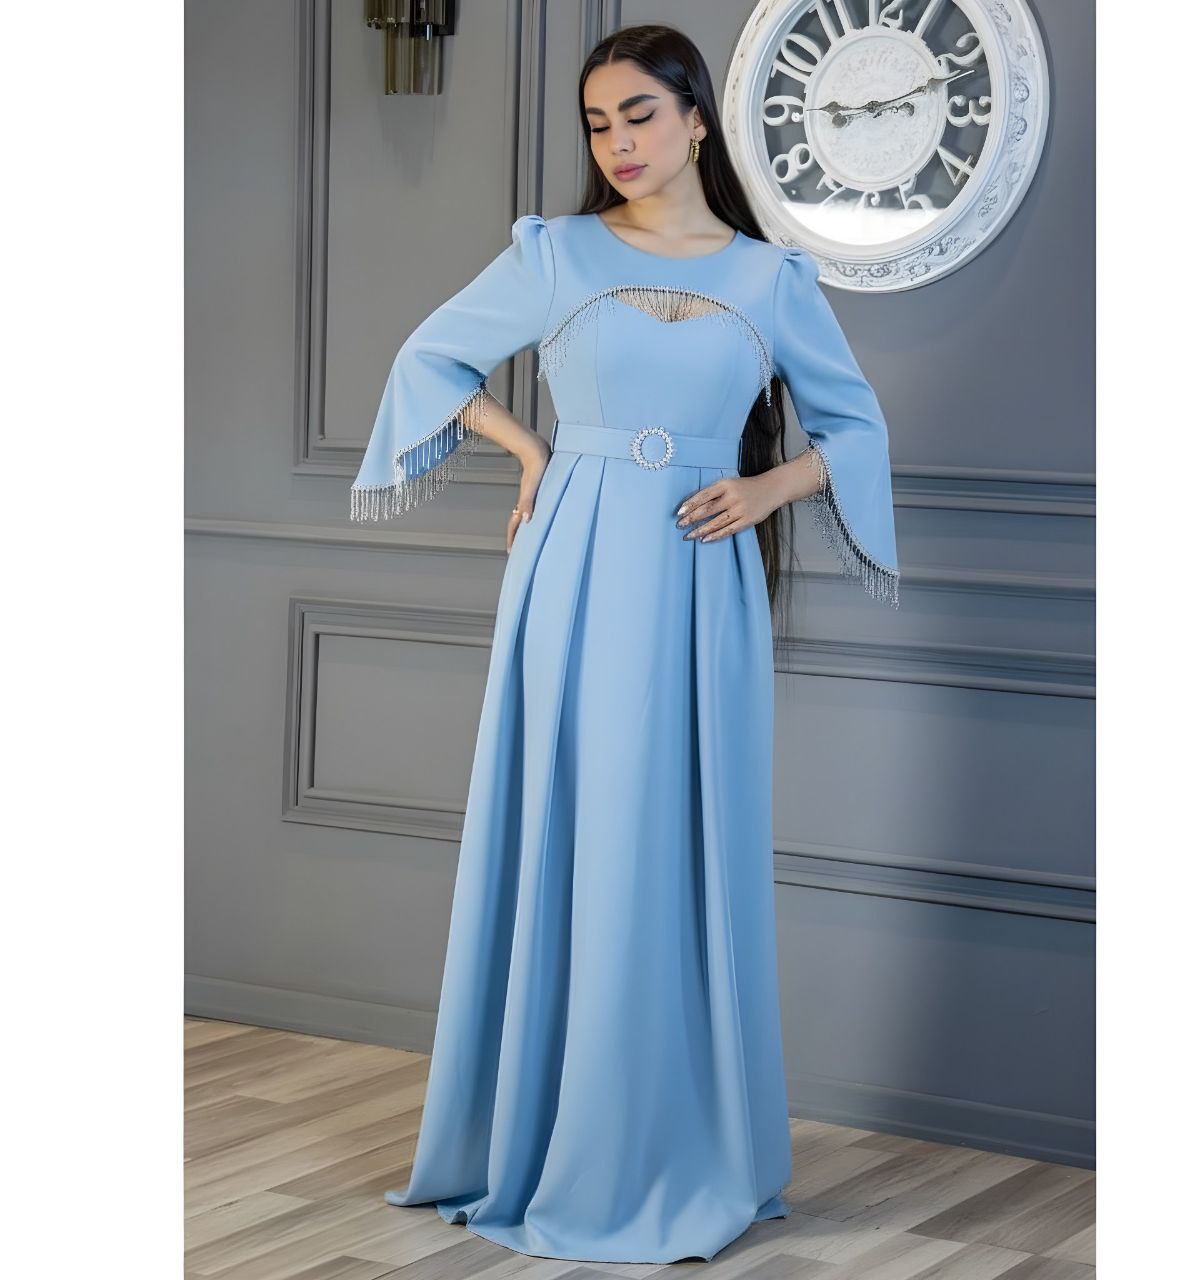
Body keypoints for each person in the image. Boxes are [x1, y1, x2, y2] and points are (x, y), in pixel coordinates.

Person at [349, 22, 900, 1267]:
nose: (617, 143)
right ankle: (549, 1133)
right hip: (572, 573)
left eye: (639, 115)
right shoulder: (554, 253)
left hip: (700, 585)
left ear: (697, 118)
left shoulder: (770, 279)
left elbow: (856, 431)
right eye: (597, 123)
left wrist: (764, 489)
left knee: (676, 840)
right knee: (571, 823)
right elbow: (429, 356)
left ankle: (671, 1136)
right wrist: (531, 449)